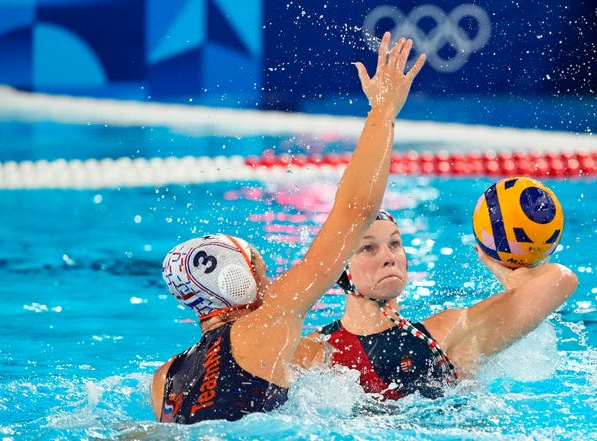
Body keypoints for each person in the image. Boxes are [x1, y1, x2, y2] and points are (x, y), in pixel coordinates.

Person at [149, 32, 427, 423]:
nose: (270, 278)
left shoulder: (165, 377)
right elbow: (357, 210)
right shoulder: (268, 322)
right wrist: (383, 111)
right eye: (260, 269)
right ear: (238, 283)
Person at [294, 210, 579, 400]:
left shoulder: (446, 336)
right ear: (338, 270)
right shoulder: (315, 352)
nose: (389, 257)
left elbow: (560, 280)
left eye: (395, 244)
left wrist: (504, 272)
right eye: (368, 248)